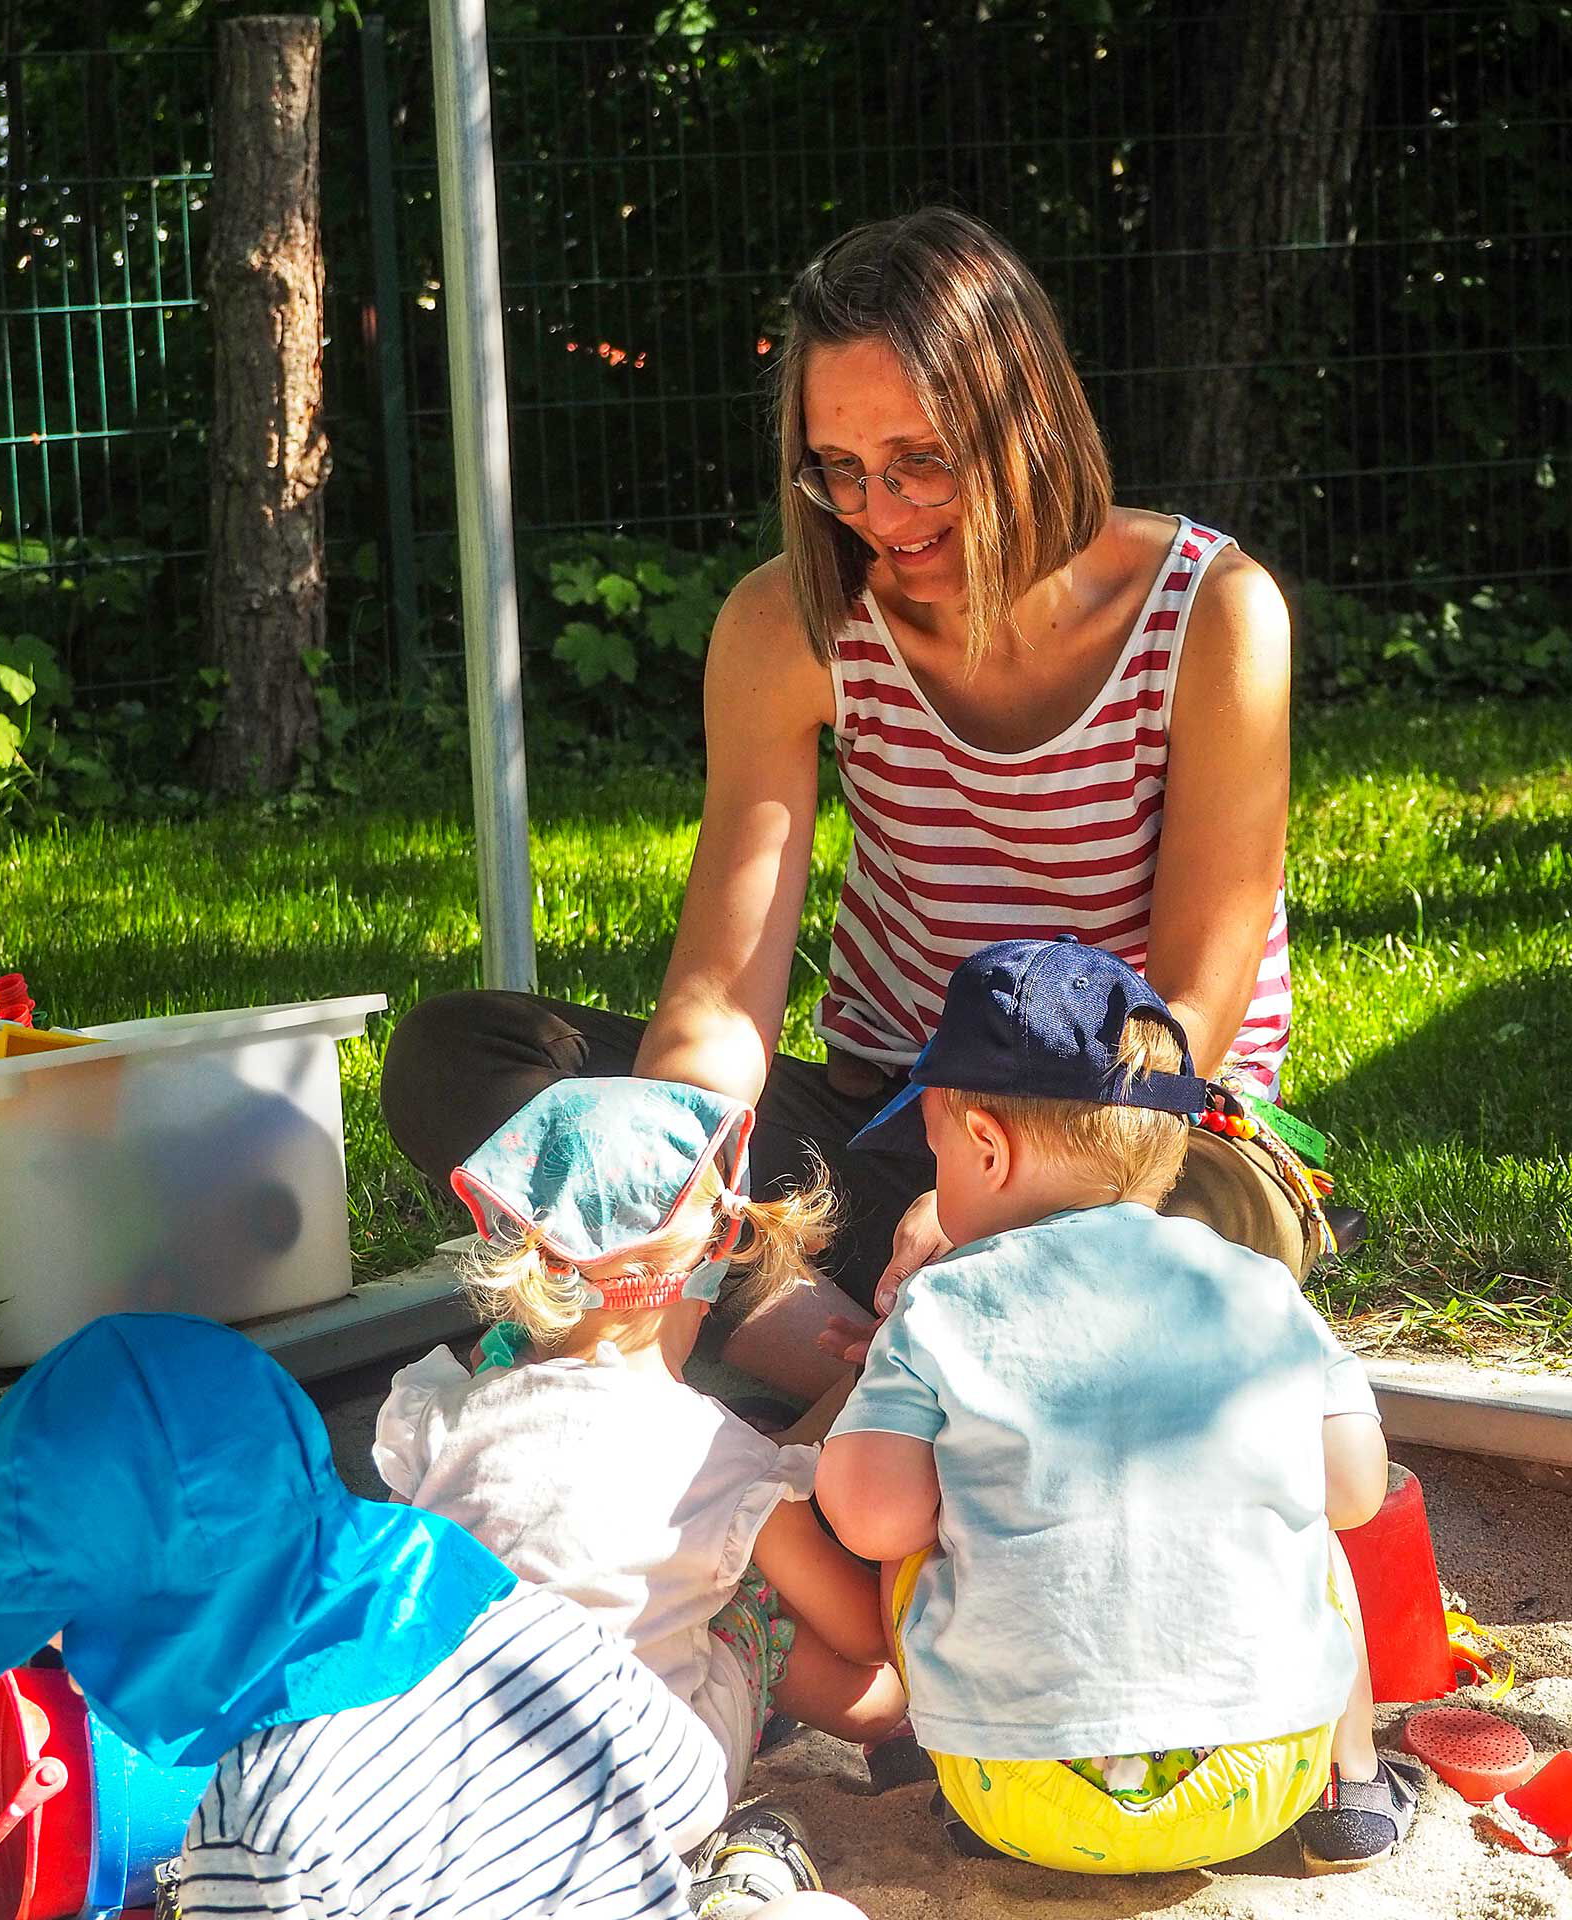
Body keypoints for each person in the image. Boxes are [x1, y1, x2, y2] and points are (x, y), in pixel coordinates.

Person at [381, 204, 1321, 1402]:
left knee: (1213, 1245)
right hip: (889, 1154)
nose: (879, 512)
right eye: (840, 471)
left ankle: (893, 1357)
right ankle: (819, 1326)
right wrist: (673, 1190)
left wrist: (1005, 1195)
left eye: (921, 460)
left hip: (1147, 1151)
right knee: (466, 1056)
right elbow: (720, 1000)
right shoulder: (788, 624)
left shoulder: (1214, 613)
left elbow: (1192, 1007)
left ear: (1025, 422)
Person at [0, 1311, 862, 1920]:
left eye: (79, 1638)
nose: (78, 1674)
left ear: (164, 1633)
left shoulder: (252, 1826)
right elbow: (689, 1789)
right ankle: (749, 1890)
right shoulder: (526, 1628)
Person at [812, 936, 1420, 1875]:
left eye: (930, 1151)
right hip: (1262, 1775)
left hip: (1019, 1792)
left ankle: (951, 1769)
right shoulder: (1259, 1286)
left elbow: (870, 1518)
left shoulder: (942, 1302)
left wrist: (907, 1426)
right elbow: (1353, 1491)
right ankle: (1350, 1793)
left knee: (922, 1544)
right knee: (1314, 1538)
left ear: (983, 1144)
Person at [374, 1078, 907, 1803]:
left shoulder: (437, 1412)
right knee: (751, 1599)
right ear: (708, 1266)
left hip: (451, 1769)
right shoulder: (720, 1458)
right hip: (644, 1796)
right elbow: (865, 1633)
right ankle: (895, 1726)